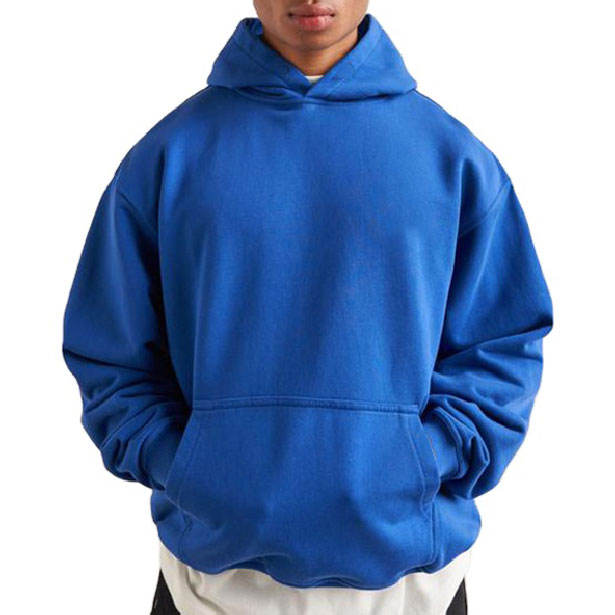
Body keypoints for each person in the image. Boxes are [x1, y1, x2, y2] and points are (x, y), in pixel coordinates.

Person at [62, 1, 553, 613]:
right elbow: (110, 355)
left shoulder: (452, 158)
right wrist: (189, 468)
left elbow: (501, 348)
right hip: (209, 584)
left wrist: (426, 462)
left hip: (413, 586)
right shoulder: (168, 156)